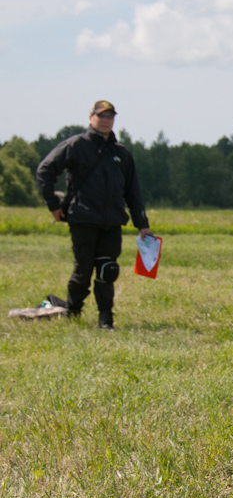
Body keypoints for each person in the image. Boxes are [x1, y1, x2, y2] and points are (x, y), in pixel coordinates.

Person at [35, 100, 152, 330]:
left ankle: (105, 319)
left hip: (112, 221)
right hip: (83, 218)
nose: (106, 120)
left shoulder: (122, 154)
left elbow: (133, 192)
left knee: (108, 270)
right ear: (91, 118)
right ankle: (73, 310)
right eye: (102, 116)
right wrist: (53, 205)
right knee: (83, 270)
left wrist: (142, 224)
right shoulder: (76, 145)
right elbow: (44, 170)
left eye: (110, 116)